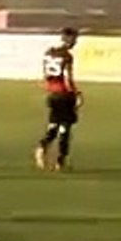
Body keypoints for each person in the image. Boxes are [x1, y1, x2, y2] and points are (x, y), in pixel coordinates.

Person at [36, 27, 82, 172]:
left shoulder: (49, 53)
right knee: (65, 128)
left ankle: (42, 147)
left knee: (54, 125)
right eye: (74, 39)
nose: (75, 42)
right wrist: (76, 94)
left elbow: (45, 74)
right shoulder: (67, 56)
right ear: (69, 39)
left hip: (53, 95)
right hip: (64, 94)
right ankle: (60, 161)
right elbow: (68, 78)